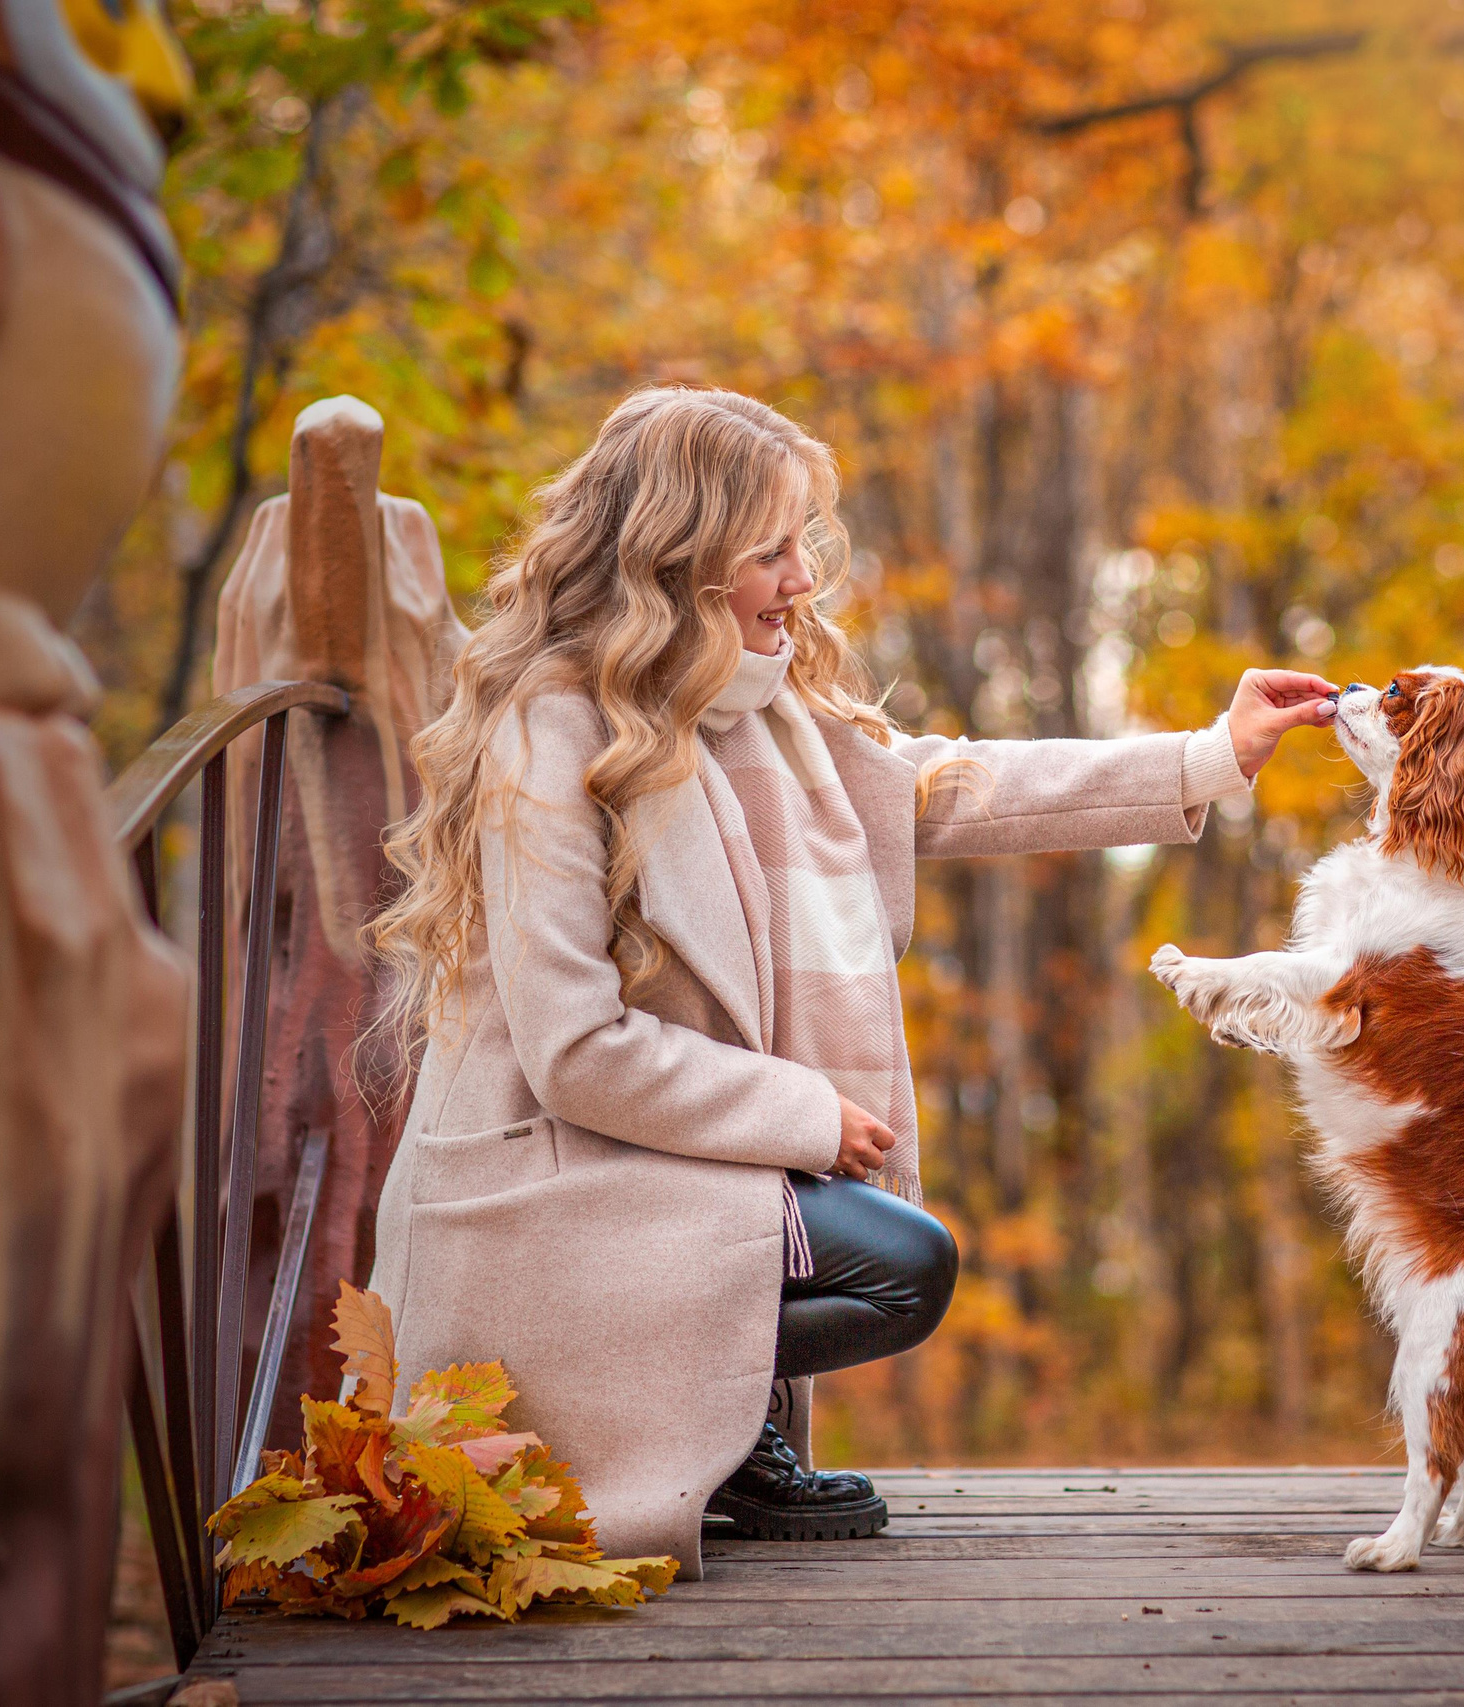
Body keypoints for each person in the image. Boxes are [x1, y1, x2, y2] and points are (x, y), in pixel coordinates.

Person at [363, 385, 1333, 1572]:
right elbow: (573, 1051)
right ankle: (681, 1439)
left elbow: (948, 783)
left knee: (903, 1258)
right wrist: (804, 1115)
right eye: (769, 551)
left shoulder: (764, 713)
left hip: (655, 1163)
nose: (802, 579)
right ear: (678, 559)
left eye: (800, 545)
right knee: (901, 1266)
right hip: (552, 1185)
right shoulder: (550, 730)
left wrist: (1208, 753)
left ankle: (717, 1442)